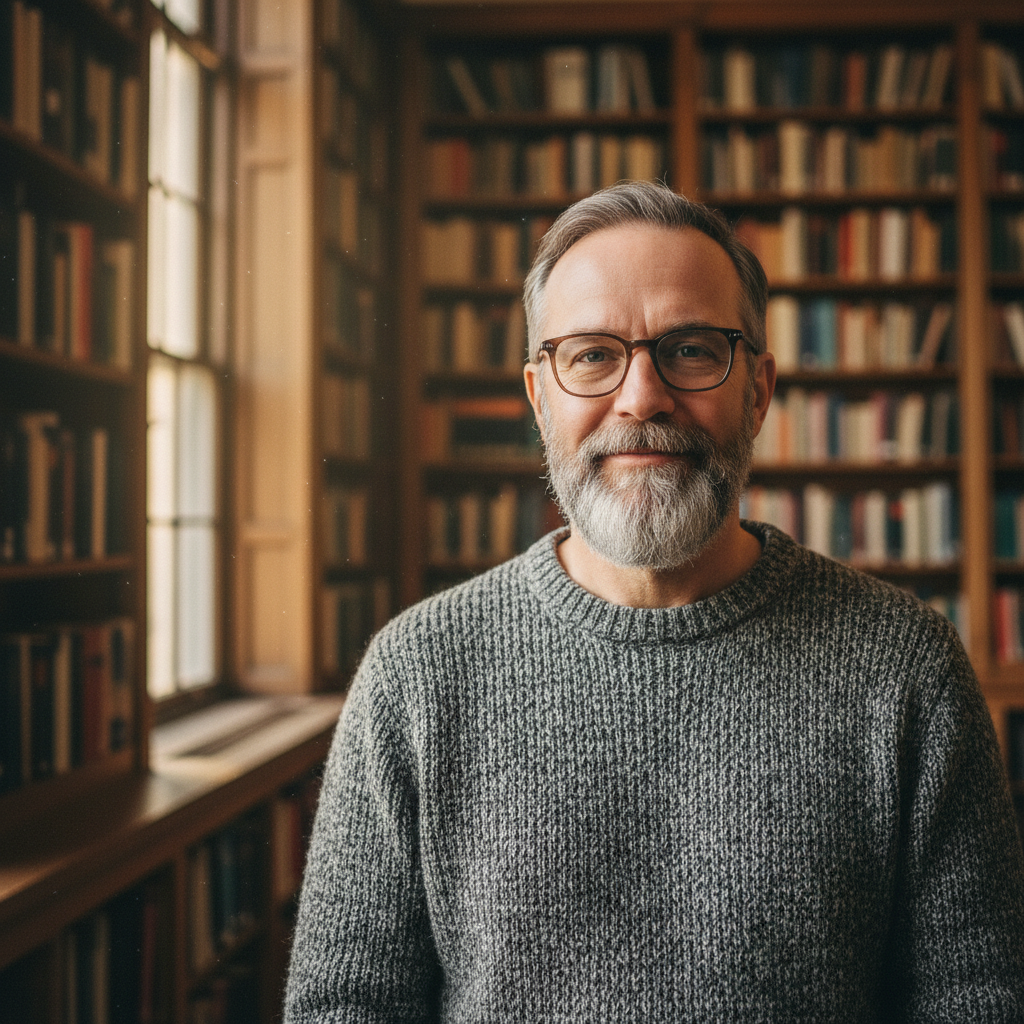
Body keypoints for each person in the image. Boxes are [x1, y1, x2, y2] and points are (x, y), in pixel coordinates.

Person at [284, 181, 1024, 1023]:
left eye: (692, 349)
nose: (641, 398)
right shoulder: (415, 674)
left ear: (758, 389)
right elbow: (344, 1008)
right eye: (592, 355)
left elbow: (979, 1002)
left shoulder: (908, 669)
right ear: (540, 398)